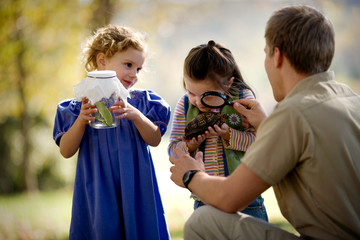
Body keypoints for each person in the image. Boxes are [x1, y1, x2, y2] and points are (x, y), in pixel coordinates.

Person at [169, 5, 360, 240]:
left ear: (277, 56)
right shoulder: (352, 100)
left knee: (202, 222)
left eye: (266, 53)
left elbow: (229, 198)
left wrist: (191, 175)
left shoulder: (293, 113)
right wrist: (266, 124)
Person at [53, 25, 171, 239]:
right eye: (128, 65)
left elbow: (154, 139)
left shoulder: (142, 102)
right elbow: (66, 151)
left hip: (135, 185)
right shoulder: (80, 105)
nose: (134, 74)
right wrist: (81, 120)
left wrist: (136, 115)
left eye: (139, 68)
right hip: (98, 188)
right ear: (102, 61)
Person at [167, 40, 268, 221]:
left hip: (246, 199)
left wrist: (231, 135)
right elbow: (173, 149)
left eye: (206, 96)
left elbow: (261, 143)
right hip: (204, 199)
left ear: (228, 84)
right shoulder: (184, 105)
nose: (197, 102)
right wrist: (188, 146)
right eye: (191, 92)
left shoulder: (243, 99)